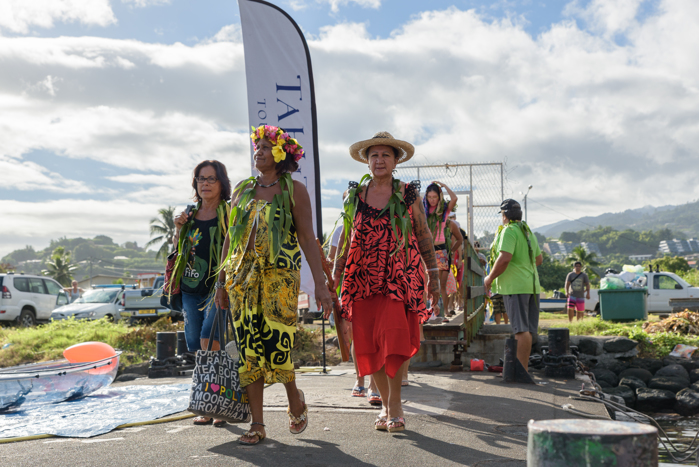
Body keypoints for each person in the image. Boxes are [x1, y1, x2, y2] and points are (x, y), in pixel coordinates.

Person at [214, 125, 333, 446]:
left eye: (265, 147)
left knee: (277, 345)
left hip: (279, 281)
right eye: (257, 147)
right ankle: (258, 423)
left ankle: (294, 397)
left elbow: (308, 238)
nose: (258, 152)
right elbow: (230, 237)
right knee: (249, 350)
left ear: (280, 154)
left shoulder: (294, 190)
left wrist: (321, 286)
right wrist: (221, 281)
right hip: (242, 280)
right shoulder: (242, 189)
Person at [333, 131, 441, 433]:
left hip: (397, 278)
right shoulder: (353, 196)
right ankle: (383, 402)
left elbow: (422, 234)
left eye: (385, 155)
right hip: (362, 278)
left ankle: (395, 404)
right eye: (374, 155)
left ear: (395, 161)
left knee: (392, 342)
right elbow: (346, 238)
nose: (379, 160)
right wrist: (336, 275)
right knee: (367, 344)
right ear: (367, 161)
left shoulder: (407, 194)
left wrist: (433, 276)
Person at [172, 160, 231, 427]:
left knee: (210, 339)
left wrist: (224, 284)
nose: (205, 183)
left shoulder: (228, 212)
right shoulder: (189, 213)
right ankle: (209, 400)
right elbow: (179, 250)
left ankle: (214, 404)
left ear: (222, 183)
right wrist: (177, 229)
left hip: (216, 289)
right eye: (200, 179)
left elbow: (234, 249)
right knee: (197, 344)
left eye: (211, 179)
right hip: (189, 288)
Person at [484, 199, 542, 373]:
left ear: (505, 215)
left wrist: (489, 278)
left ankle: (520, 371)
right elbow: (538, 260)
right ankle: (522, 369)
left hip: (515, 287)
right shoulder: (527, 232)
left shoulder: (509, 231)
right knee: (528, 330)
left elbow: (504, 258)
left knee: (520, 330)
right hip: (532, 285)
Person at [424, 182, 461, 321]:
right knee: (429, 284)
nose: (432, 200)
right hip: (427, 250)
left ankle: (443, 314)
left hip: (441, 250)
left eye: (435, 197)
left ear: (439, 197)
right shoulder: (424, 211)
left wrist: (444, 186)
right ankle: (430, 314)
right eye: (429, 197)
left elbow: (454, 199)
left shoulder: (443, 211)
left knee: (441, 285)